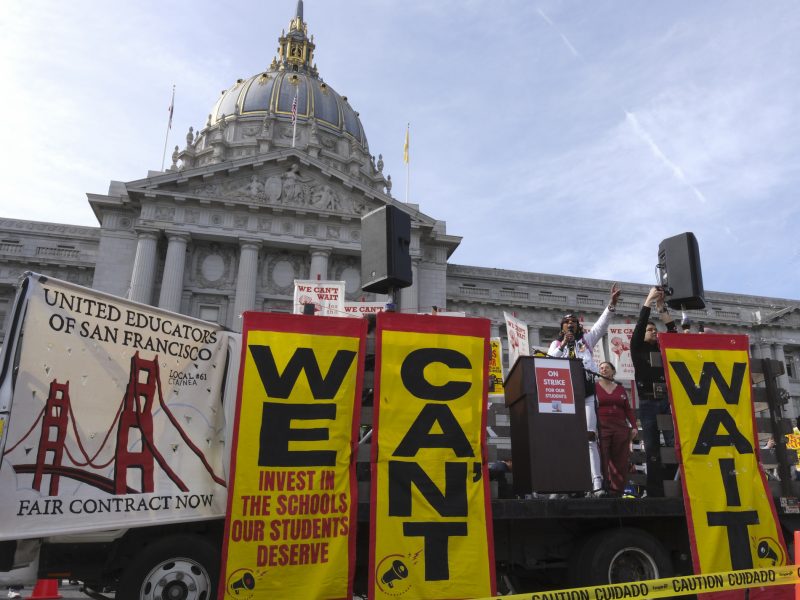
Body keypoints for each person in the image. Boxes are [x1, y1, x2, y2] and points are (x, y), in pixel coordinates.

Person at [548, 284, 621, 495]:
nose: (571, 325)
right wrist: (563, 344)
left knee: (590, 436)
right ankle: (565, 481)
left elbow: (601, 325)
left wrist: (612, 304)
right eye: (567, 323)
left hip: (587, 392)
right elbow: (551, 361)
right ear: (562, 327)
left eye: (574, 322)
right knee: (565, 437)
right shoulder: (556, 344)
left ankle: (596, 483)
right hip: (564, 395)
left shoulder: (586, 341)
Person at [630, 287, 677, 497]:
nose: (653, 332)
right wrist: (649, 301)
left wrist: (661, 308)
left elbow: (673, 333)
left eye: (655, 330)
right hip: (648, 402)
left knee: (671, 444)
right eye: (650, 330)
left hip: (665, 400)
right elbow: (640, 326)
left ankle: (676, 486)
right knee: (651, 447)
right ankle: (655, 490)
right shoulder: (637, 348)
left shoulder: (662, 350)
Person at [596, 361, 637, 495]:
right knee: (602, 456)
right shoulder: (594, 387)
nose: (603, 370)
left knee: (620, 459)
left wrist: (634, 426)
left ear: (613, 371)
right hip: (602, 426)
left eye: (607, 368)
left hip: (620, 427)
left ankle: (617, 491)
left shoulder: (620, 388)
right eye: (601, 368)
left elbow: (628, 410)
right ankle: (602, 488)